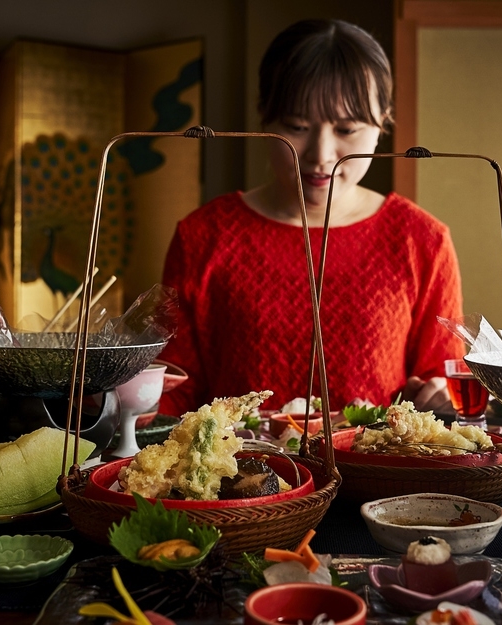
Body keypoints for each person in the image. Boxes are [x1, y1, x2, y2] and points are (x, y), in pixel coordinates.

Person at [158, 18, 463, 416]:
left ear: (382, 122)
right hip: (238, 470)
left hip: (378, 474)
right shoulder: (202, 236)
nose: (321, 155)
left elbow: (441, 381)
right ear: (264, 116)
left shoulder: (421, 239)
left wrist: (439, 394)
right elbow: (174, 389)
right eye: (297, 127)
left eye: (347, 129)